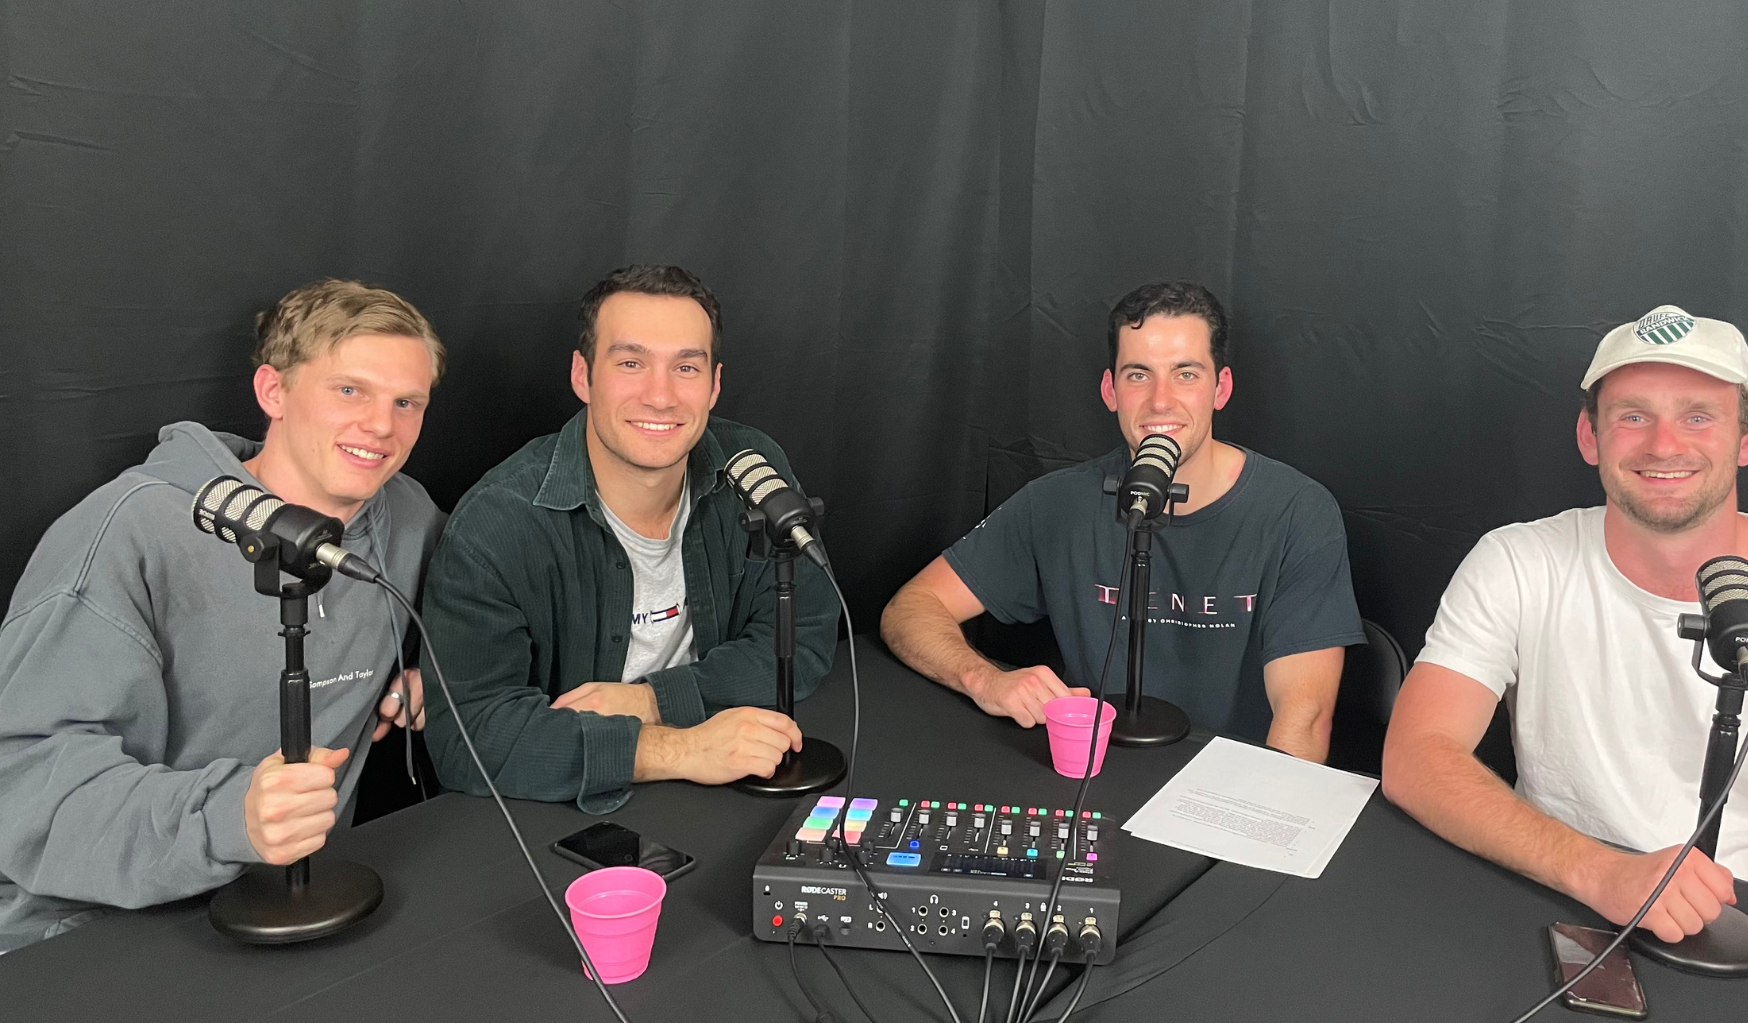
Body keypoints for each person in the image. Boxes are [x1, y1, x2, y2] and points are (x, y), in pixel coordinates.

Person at [1382, 305, 1748, 943]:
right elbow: (1416, 757)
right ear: (1590, 436)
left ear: (1747, 439)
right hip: (1553, 899)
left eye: (1697, 416)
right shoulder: (1518, 562)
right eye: (1633, 416)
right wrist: (1600, 873)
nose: (1664, 445)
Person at [0, 280, 445, 952]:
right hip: (92, 930)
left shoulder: (408, 519)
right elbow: (23, 790)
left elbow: (480, 613)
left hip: (297, 909)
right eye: (349, 390)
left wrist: (436, 676)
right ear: (274, 392)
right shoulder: (130, 533)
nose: (381, 425)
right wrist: (227, 817)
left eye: (406, 401)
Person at [880, 281, 1364, 759]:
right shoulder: (1057, 502)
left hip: (1228, 792)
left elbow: (1304, 719)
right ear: (1110, 390)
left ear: (1222, 388)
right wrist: (984, 679)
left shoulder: (1297, 510)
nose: (1159, 400)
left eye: (1186, 374)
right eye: (1138, 375)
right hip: (1093, 777)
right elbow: (912, 608)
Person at [422, 265, 834, 813]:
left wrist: (653, 702)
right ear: (582, 375)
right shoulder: (497, 523)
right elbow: (468, 738)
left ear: (714, 384)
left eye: (685, 367)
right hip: (560, 814)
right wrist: (679, 748)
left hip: (734, 781)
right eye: (631, 363)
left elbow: (801, 635)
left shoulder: (751, 468)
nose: (660, 396)